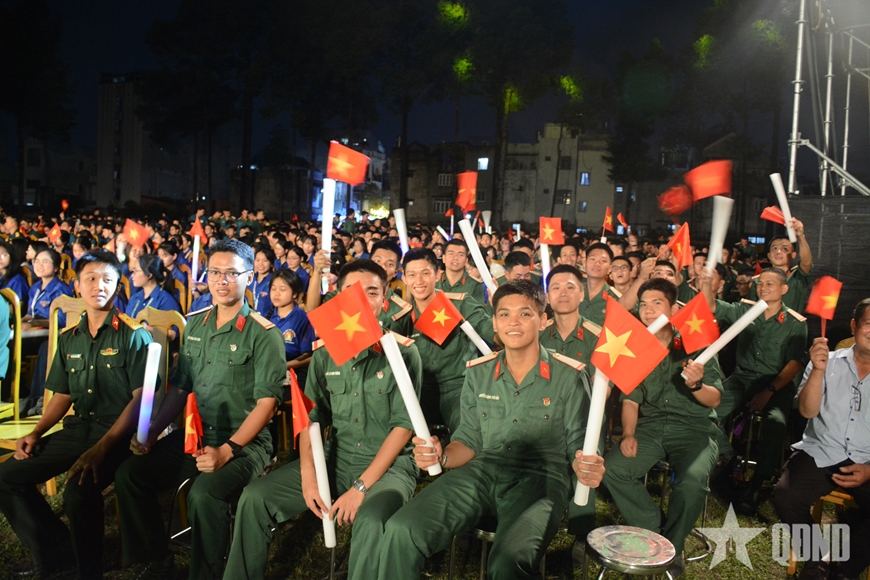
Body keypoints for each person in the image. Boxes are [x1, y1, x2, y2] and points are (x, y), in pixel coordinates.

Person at [377, 280, 605, 579]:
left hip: (541, 478)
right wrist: (441, 457)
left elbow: (580, 443)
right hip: (484, 470)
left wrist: (585, 465)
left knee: (507, 563)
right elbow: (469, 439)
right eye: (504, 314)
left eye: (525, 313)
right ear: (494, 323)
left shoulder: (569, 375)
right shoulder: (479, 372)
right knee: (401, 528)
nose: (514, 322)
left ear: (543, 320)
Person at [224, 260, 421, 580]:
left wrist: (360, 487)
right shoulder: (326, 354)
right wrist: (308, 475)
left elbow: (403, 427)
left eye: (372, 292)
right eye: (352, 291)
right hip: (336, 459)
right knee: (255, 498)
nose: (362, 300)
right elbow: (310, 419)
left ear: (384, 299)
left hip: (390, 467)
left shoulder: (404, 353)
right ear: (338, 298)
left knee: (371, 521)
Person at [114, 239, 286, 580]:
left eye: (232, 273)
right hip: (197, 436)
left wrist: (227, 450)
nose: (222, 281)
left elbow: (267, 405)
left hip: (244, 443)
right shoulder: (196, 325)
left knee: (204, 495)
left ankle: (205, 573)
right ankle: (158, 562)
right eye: (215, 272)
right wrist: (151, 432)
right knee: (130, 475)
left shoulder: (264, 335)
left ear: (249, 277)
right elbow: (180, 387)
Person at [0, 250, 154, 580]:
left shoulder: (133, 334)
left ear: (118, 287)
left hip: (119, 435)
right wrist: (36, 432)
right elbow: (63, 394)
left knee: (77, 492)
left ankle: (89, 568)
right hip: (79, 429)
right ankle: (56, 554)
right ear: (77, 285)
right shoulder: (70, 337)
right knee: (7, 476)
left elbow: (142, 400)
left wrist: (103, 447)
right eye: (91, 278)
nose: (99, 286)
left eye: (108, 280)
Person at [602, 278, 723, 578]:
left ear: (673, 308)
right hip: (652, 427)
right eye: (643, 304)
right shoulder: (636, 347)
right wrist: (629, 434)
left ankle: (674, 545)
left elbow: (715, 398)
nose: (648, 310)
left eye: (657, 303)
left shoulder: (695, 341)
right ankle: (654, 530)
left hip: (694, 428)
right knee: (613, 468)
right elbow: (631, 400)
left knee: (692, 483)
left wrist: (696, 385)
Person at [772, 298, 870, 580]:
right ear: (854, 326)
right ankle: (818, 558)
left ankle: (844, 569)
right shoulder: (828, 362)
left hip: (866, 459)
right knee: (785, 495)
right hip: (822, 451)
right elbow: (807, 411)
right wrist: (817, 370)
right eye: (869, 323)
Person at [699, 267, 808, 514]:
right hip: (742, 378)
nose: (763, 288)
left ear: (784, 289)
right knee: (705, 410)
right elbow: (711, 306)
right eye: (760, 284)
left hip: (776, 383)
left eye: (770, 284)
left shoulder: (795, 323)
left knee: (776, 423)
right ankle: (730, 457)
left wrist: (769, 391)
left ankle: (757, 484)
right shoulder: (745, 310)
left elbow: (793, 365)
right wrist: (706, 284)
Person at [403, 248, 494, 434]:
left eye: (425, 273)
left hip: (458, 389)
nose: (419, 281)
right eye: (412, 275)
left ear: (437, 275)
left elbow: (491, 332)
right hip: (418, 392)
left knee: (468, 434)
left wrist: (500, 312)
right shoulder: (402, 317)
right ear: (404, 278)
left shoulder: (458, 304)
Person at [748, 221, 814, 312]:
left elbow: (806, 263)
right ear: (769, 255)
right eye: (774, 248)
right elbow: (750, 310)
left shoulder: (798, 278)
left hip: (790, 321)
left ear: (793, 255)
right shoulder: (758, 281)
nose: (778, 252)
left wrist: (800, 236)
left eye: (785, 249)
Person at [267, 268, 315, 393]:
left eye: (282, 289)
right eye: (273, 289)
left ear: (295, 294)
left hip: (294, 373)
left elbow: (309, 356)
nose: (276, 293)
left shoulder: (303, 319)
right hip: (269, 370)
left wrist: (284, 366)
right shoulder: (267, 316)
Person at [436, 239, 485, 303]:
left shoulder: (475, 285)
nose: (455, 257)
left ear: (466, 261)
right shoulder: (433, 282)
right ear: (443, 258)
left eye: (461, 254)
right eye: (451, 253)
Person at [0, 239, 29, 304]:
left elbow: (18, 306)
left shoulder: (17, 280)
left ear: (11, 256)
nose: (0, 259)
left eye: (3, 255)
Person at [249, 247, 275, 316]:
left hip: (266, 320)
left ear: (271, 263)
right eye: (257, 260)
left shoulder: (275, 281)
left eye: (265, 260)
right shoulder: (250, 279)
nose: (260, 264)